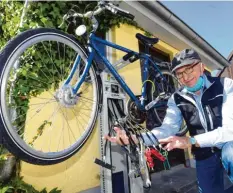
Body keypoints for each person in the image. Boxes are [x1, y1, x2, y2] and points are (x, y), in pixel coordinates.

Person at [105, 48, 233, 193]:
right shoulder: (176, 98)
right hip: (204, 154)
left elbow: (230, 131)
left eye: (189, 69)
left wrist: (190, 141)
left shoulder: (225, 85)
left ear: (201, 67)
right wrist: (135, 138)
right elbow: (166, 130)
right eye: (179, 74)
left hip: (227, 145)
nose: (186, 77)